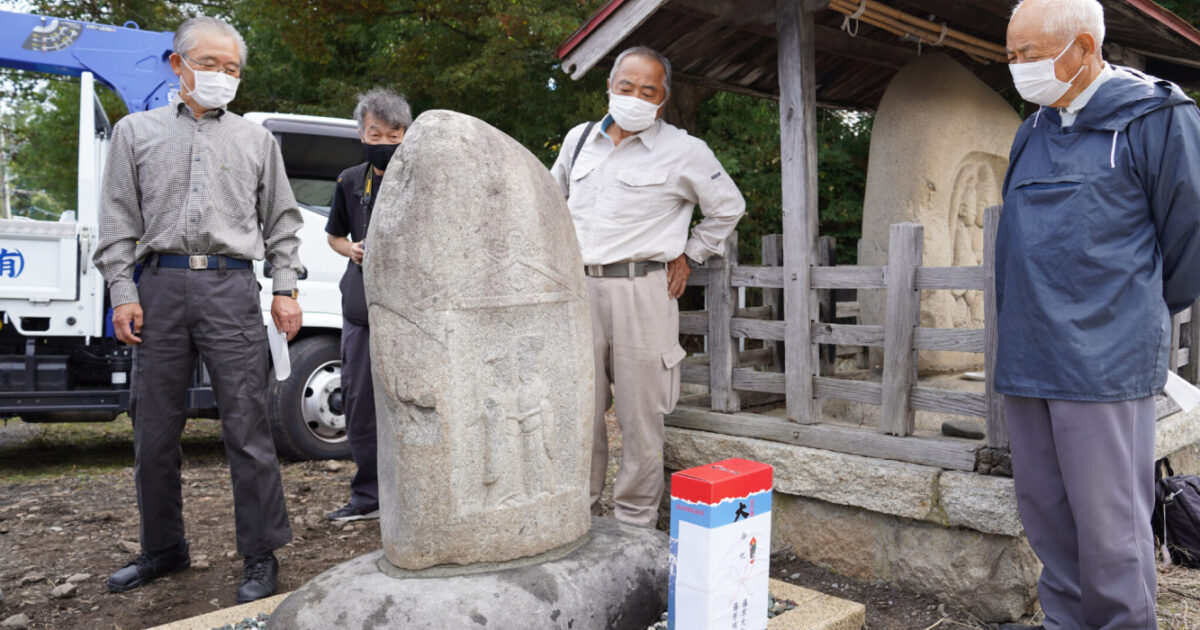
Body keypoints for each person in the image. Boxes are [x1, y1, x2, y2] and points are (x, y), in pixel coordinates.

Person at [998, 1, 1200, 628]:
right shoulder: (1032, 129)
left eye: (1027, 55)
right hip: (1029, 360)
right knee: (1049, 523)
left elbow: (1189, 239)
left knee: (1112, 536)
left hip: (1104, 366)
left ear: (1083, 49)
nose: (1016, 68)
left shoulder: (1157, 118)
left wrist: (1128, 316)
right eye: (1010, 55)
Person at [93, 16, 303, 604]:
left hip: (232, 288)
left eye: (232, 69)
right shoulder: (136, 133)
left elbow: (283, 223)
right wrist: (123, 293)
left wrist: (284, 287)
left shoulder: (257, 141)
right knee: (154, 428)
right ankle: (164, 548)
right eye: (208, 64)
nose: (221, 77)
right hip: (158, 286)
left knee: (247, 425)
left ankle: (260, 553)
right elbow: (117, 222)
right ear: (177, 65)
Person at [549, 46, 745, 527]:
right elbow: (550, 203)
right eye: (626, 87)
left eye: (647, 90)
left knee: (641, 419)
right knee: (578, 413)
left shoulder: (685, 150)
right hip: (577, 293)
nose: (635, 97)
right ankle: (579, 517)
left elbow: (728, 207)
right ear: (609, 87)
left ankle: (634, 524)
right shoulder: (578, 141)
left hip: (643, 291)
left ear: (663, 98)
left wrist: (691, 252)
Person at [324, 88, 412, 521]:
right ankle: (368, 496)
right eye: (376, 134)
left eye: (394, 136)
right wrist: (351, 250)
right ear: (361, 132)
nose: (385, 143)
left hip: (412, 313)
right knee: (359, 401)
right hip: (360, 310)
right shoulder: (349, 180)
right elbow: (333, 236)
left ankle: (415, 492)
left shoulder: (422, 176)